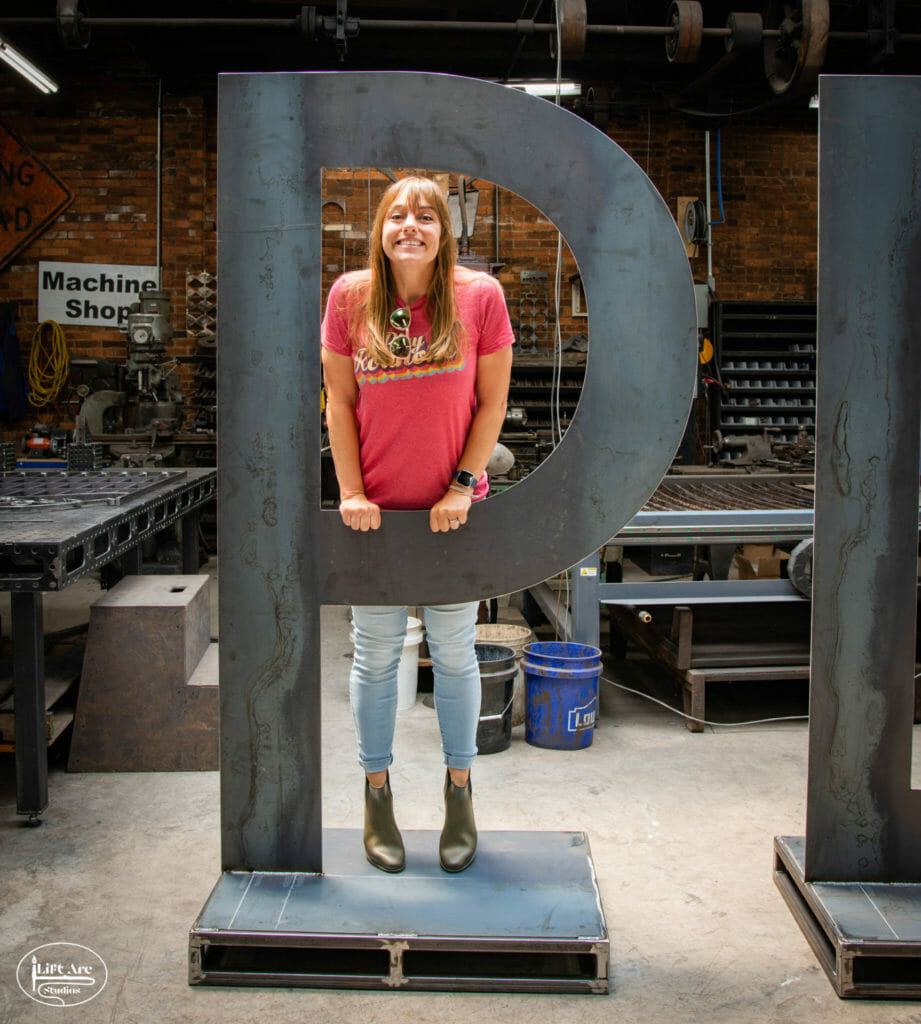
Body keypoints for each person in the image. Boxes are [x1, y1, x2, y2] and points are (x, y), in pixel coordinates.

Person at [321, 174, 515, 874]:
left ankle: (459, 792)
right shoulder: (349, 298)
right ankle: (377, 796)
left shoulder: (478, 297)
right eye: (396, 214)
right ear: (378, 228)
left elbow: (491, 401)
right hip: (373, 518)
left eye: (425, 216)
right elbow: (339, 404)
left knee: (454, 653)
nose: (410, 225)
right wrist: (350, 490)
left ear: (443, 231)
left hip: (452, 517)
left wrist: (463, 485)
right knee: (374, 658)